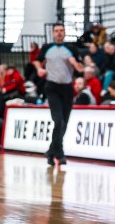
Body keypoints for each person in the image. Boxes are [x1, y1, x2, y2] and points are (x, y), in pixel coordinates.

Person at [33, 22, 84, 166]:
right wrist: (39, 69)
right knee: (58, 120)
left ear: (65, 33)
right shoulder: (47, 48)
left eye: (62, 30)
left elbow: (80, 68)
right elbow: (37, 61)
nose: (59, 33)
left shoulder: (71, 49)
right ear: (53, 33)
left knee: (65, 123)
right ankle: (60, 154)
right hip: (52, 87)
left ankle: (50, 152)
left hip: (67, 88)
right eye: (56, 31)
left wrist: (75, 63)